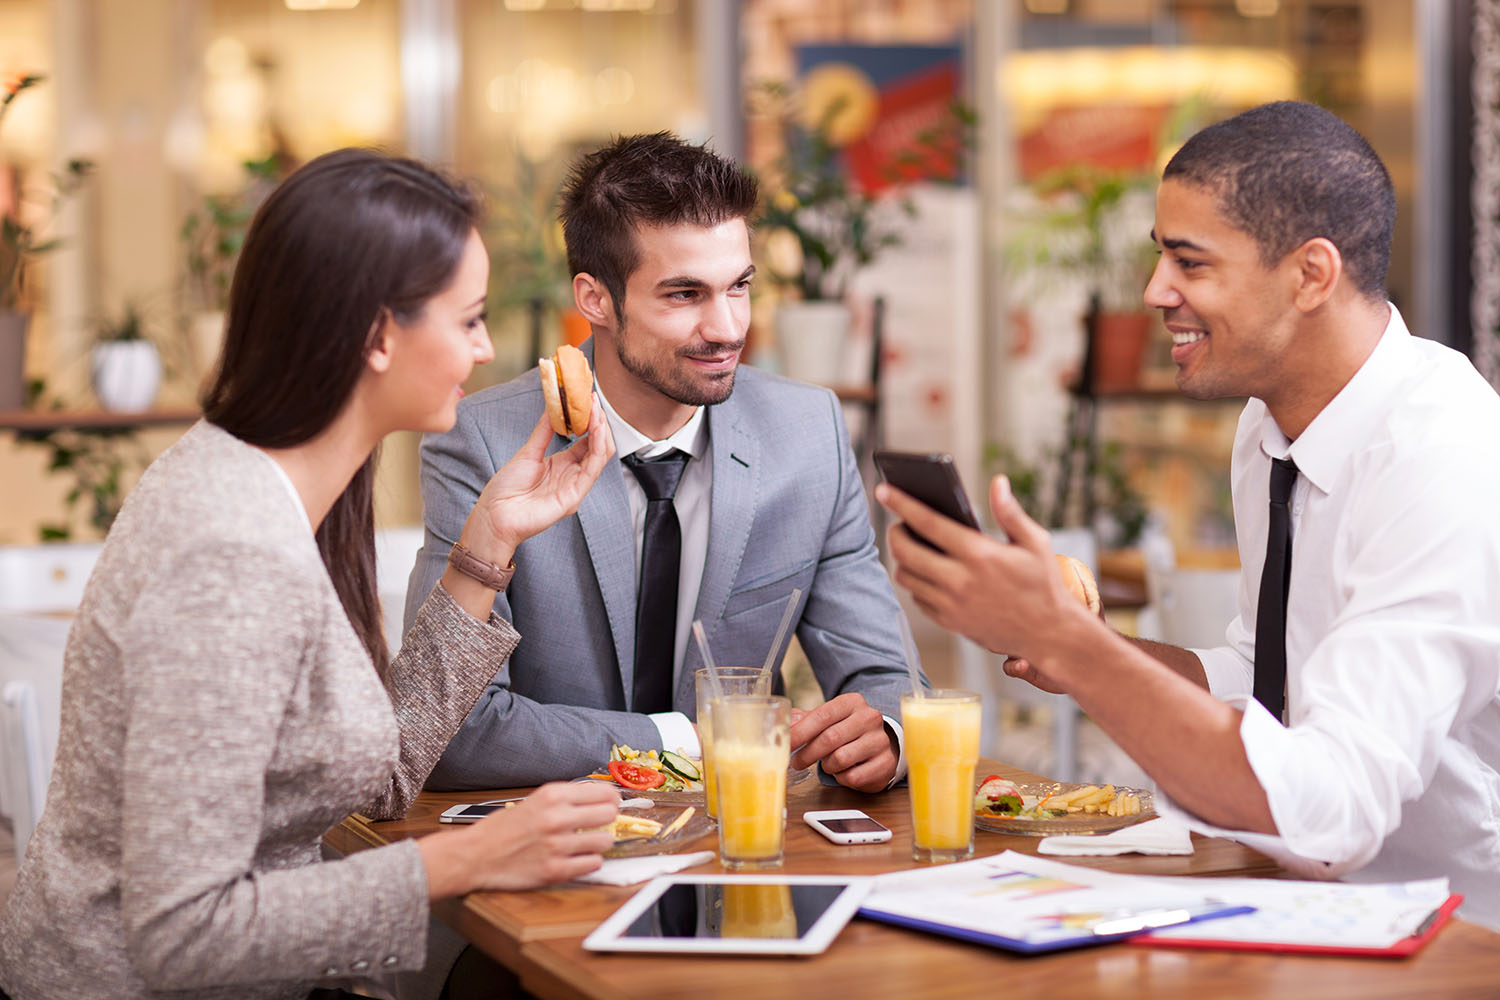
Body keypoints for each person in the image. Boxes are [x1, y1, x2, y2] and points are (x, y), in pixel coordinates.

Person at [0, 148, 622, 1000]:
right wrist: (465, 858)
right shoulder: (230, 552)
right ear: (377, 334)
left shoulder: (288, 484)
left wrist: (488, 545)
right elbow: (183, 932)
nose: (483, 351)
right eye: (468, 318)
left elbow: (381, 775)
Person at [878, 101, 1500, 929]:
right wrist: (1069, 641)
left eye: (1191, 263)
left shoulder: (1443, 454)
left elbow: (1336, 813)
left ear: (1311, 275)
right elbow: (1266, 681)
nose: (1154, 292)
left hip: (1456, 936)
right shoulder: (1271, 425)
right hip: (1302, 903)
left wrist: (1078, 648)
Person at [407, 132, 921, 793]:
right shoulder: (484, 443)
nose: (728, 327)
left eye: (739, 287)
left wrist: (883, 735)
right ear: (595, 299)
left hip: (744, 861)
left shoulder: (807, 433)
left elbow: (887, 675)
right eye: (684, 295)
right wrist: (687, 740)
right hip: (562, 871)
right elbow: (454, 733)